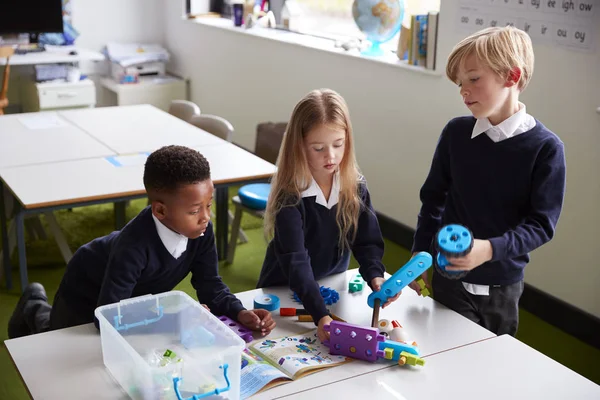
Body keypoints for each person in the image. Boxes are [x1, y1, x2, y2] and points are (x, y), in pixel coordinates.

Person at [8, 145, 275, 338]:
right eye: (195, 211)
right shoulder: (133, 247)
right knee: (58, 337)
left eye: (208, 205)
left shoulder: (201, 230)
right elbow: (108, 318)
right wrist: (176, 318)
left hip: (130, 293)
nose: (206, 217)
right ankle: (33, 303)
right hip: (85, 287)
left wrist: (239, 312)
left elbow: (210, 286)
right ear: (160, 211)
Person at [409, 27, 566, 336]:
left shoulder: (546, 149)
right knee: (444, 358)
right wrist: (419, 252)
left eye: (474, 79)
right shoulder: (456, 133)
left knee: (491, 367)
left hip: (503, 286)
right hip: (447, 279)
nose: (463, 91)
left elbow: (541, 224)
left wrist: (488, 250)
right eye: (460, 83)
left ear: (511, 76)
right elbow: (433, 200)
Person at [257, 89, 399, 342]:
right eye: (318, 148)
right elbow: (297, 262)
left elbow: (366, 241)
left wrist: (375, 276)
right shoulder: (290, 196)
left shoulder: (355, 186)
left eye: (338, 144)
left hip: (332, 284)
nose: (330, 156)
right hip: (285, 287)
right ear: (299, 146)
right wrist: (321, 315)